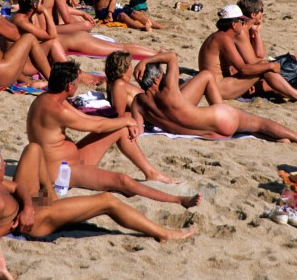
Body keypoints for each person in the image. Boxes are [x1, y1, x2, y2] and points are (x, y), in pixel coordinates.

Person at [25, 61, 202, 207]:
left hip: (70, 158)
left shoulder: (50, 98)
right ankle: (178, 200)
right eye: (77, 83)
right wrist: (126, 120)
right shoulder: (56, 109)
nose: (78, 86)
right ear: (69, 85)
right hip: (63, 172)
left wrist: (125, 121)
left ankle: (151, 173)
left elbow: (90, 120)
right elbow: (97, 127)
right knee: (122, 180)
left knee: (121, 126)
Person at [0, 144, 195, 244]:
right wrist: (13, 225)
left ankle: (51, 196)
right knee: (107, 201)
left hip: (26, 207)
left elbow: (18, 188)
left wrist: (25, 207)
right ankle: (163, 233)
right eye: (3, 165)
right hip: (38, 222)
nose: (5, 166)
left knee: (33, 149)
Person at [131, 51, 297, 148]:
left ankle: (279, 139)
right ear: (158, 77)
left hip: (208, 134)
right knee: (260, 123)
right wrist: (146, 60)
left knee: (254, 129)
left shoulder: (139, 103)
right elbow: (172, 57)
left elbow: (138, 131)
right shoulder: (169, 89)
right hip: (219, 118)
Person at [198, 4, 297, 104]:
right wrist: (269, 66)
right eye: (242, 21)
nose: (243, 24)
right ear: (234, 24)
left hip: (218, 84)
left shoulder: (219, 37)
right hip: (219, 89)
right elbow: (244, 69)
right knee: (266, 68)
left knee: (265, 67)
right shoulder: (224, 39)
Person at [15, 0, 157, 60]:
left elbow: (50, 35)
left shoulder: (24, 19)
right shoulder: (26, 19)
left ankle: (156, 54)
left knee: (119, 49)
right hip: (73, 40)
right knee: (120, 47)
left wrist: (45, 12)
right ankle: (155, 53)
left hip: (74, 42)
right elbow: (50, 34)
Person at [9, 0, 104, 85]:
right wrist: (45, 12)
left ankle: (76, 74)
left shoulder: (22, 16)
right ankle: (76, 76)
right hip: (20, 65)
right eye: (41, 2)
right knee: (53, 43)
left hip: (23, 59)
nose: (43, 5)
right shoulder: (21, 21)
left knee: (52, 43)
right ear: (35, 5)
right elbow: (52, 34)